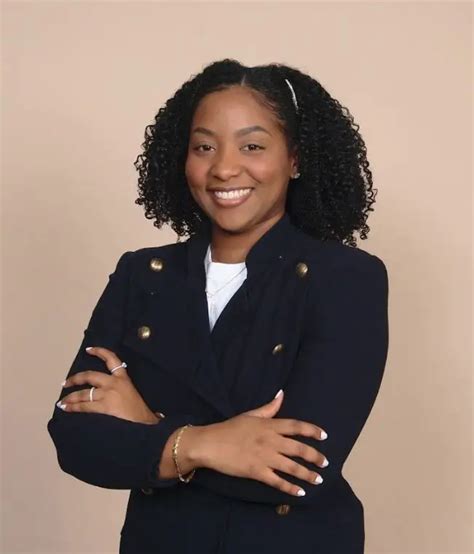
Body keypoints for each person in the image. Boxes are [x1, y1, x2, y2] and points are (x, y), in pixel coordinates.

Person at [47, 58, 389, 554]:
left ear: (294, 159)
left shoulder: (346, 278)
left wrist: (151, 429)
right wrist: (209, 445)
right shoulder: (141, 274)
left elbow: (298, 469)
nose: (224, 168)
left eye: (252, 146)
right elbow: (75, 439)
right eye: (204, 146)